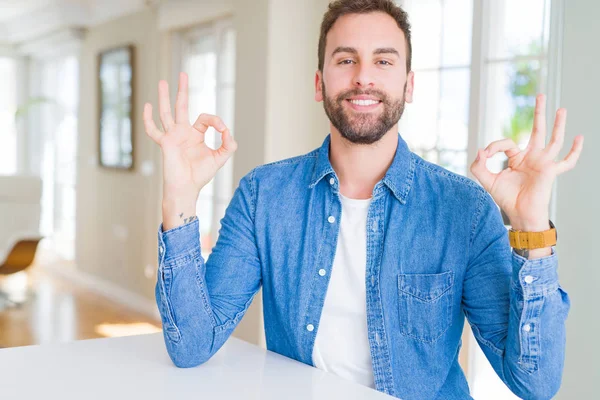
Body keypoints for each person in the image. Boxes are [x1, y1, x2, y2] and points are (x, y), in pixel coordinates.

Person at [143, 0, 584, 398]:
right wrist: (178, 199)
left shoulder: (464, 210)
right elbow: (192, 346)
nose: (364, 77)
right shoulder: (263, 195)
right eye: (346, 59)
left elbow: (535, 384)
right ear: (319, 83)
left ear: (409, 86)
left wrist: (531, 227)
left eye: (383, 60)